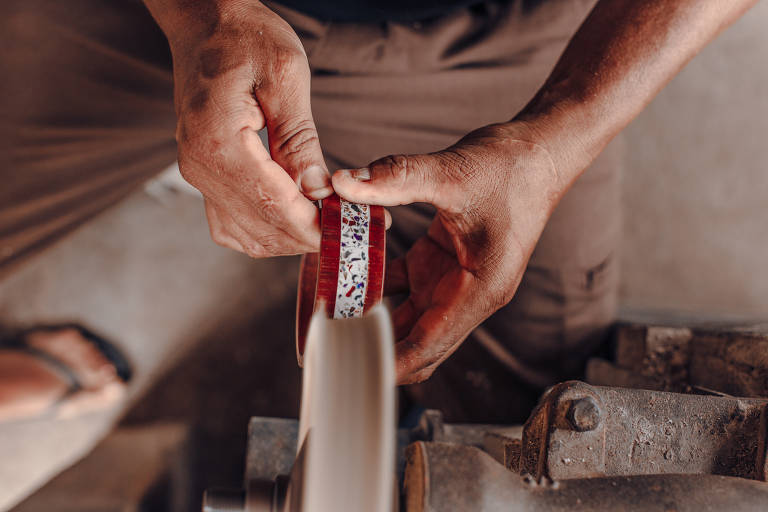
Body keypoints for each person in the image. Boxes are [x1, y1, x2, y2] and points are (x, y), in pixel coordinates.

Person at [0, 0, 756, 423]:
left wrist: (556, 141)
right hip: (152, 19)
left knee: (536, 411)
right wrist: (209, 18)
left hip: (509, 41)